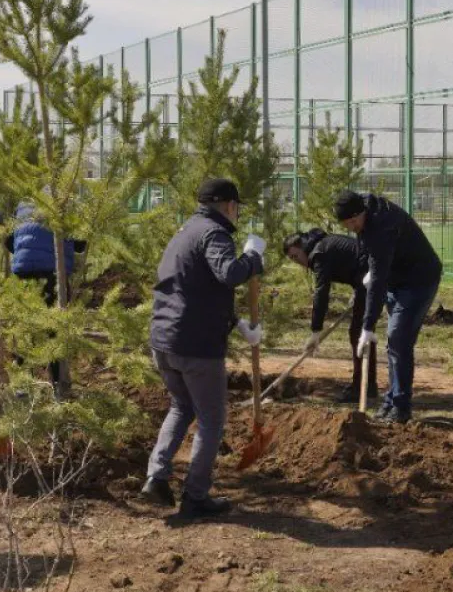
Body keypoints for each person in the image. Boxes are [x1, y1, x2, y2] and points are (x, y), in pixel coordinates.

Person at [140, 178, 265, 517]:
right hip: (195, 345)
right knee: (211, 419)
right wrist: (253, 258)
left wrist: (237, 325)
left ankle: (156, 476)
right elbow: (228, 273)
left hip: (164, 340)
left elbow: (193, 287)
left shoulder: (185, 231)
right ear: (229, 206)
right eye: (236, 207)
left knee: (181, 406)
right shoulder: (214, 232)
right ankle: (195, 496)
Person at [333, 190, 442, 424]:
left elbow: (379, 276)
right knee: (394, 344)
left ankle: (401, 407)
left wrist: (367, 327)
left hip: (418, 280)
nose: (352, 227)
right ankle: (391, 401)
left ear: (361, 212)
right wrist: (363, 283)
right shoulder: (365, 217)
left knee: (398, 339)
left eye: (353, 221)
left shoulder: (382, 226)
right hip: (397, 278)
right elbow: (367, 256)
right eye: (346, 224)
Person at [282, 228, 377, 404]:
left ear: (302, 246)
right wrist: (357, 289)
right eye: (292, 260)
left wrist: (316, 331)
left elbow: (321, 293)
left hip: (372, 274)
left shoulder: (319, 253)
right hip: (364, 276)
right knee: (359, 333)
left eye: (296, 257)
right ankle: (366, 385)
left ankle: (363, 387)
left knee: (359, 333)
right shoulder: (321, 246)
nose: (298, 263)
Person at [5, 202, 86, 387]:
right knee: (54, 327)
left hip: (23, 274)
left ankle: (21, 381)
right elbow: (80, 245)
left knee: (24, 326)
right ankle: (58, 381)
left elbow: (9, 242)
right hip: (52, 274)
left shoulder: (22, 210)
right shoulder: (63, 204)